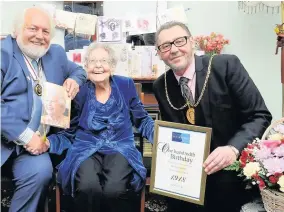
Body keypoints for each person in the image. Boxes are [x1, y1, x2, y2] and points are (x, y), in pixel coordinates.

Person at [153, 21, 272, 212]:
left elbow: (259, 115)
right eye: (165, 46)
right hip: (188, 178)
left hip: (231, 173)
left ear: (192, 42)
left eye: (179, 41)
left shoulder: (225, 66)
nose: (174, 50)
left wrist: (233, 149)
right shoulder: (161, 86)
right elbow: (175, 134)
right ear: (159, 53)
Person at [45, 42, 154, 212]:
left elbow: (142, 119)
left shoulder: (126, 85)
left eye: (103, 60)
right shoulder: (78, 91)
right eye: (92, 61)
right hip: (85, 149)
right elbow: (69, 130)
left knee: (114, 189)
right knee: (88, 187)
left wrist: (161, 138)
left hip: (120, 148)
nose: (98, 66)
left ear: (112, 65)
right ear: (85, 65)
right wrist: (48, 142)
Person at [1, 6, 87, 212]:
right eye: (33, 29)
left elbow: (79, 70)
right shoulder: (3, 55)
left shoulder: (55, 53)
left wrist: (74, 80)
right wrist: (25, 136)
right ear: (16, 31)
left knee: (41, 172)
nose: (40, 36)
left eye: (45, 31)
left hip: (37, 145)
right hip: (6, 138)